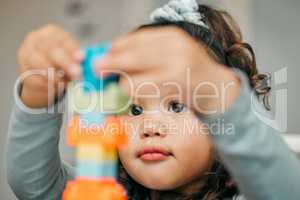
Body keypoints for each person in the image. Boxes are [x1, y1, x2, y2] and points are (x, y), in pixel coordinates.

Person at [6, 0, 300, 199]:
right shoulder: (105, 191)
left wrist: (221, 93)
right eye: (134, 109)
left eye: (175, 105)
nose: (149, 126)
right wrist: (39, 93)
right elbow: (33, 187)